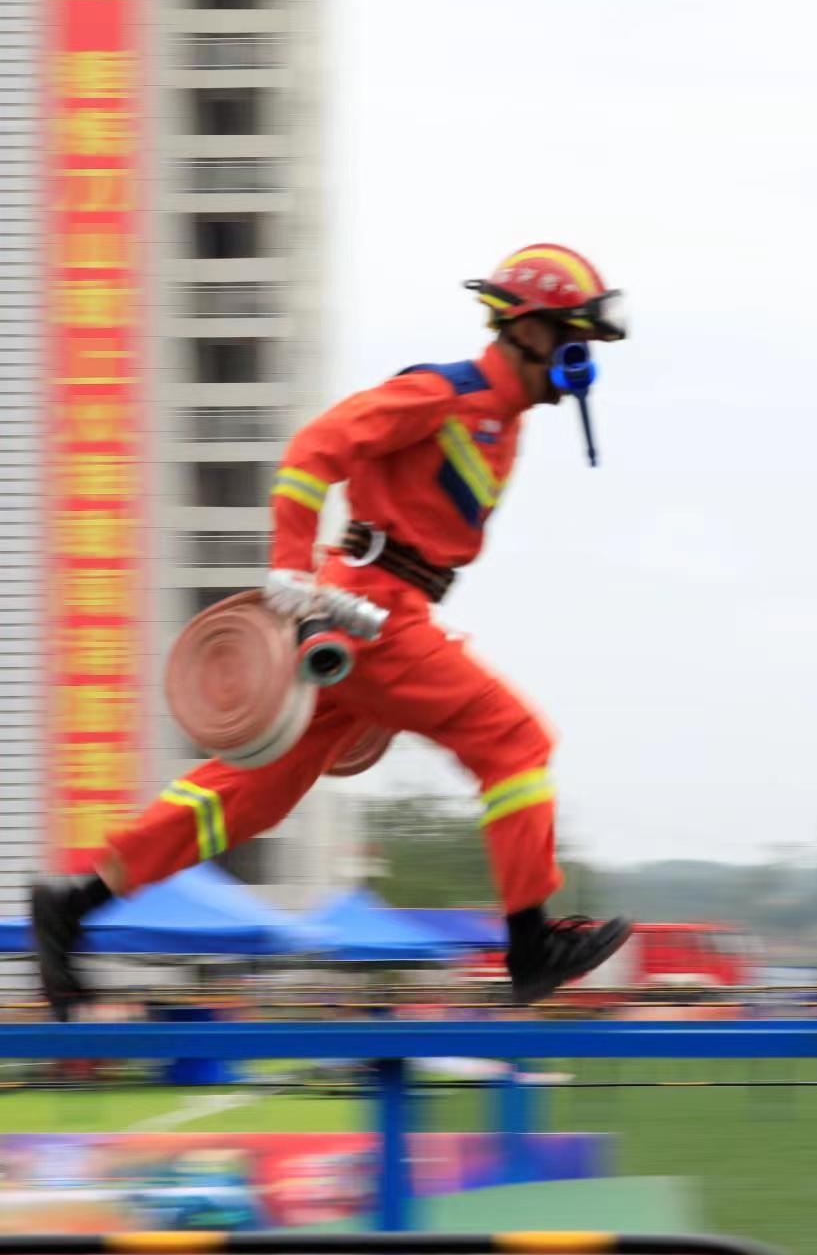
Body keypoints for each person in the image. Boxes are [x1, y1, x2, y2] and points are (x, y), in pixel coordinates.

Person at [31, 242, 631, 1018]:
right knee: (513, 741)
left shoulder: (503, 420)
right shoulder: (440, 393)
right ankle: (530, 944)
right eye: (572, 337)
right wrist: (290, 569)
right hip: (372, 612)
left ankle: (74, 904)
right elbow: (313, 450)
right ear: (526, 329)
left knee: (249, 797)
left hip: (379, 613)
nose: (581, 359)